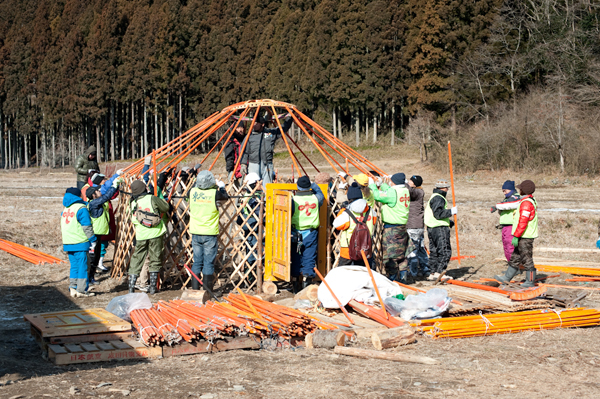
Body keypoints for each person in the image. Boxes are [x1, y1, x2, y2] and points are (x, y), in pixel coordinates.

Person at [188, 170, 230, 294]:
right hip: (209, 233)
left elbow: (192, 189)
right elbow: (225, 197)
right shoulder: (214, 193)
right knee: (208, 263)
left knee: (197, 261)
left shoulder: (192, 192)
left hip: (195, 232)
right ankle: (207, 292)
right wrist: (222, 186)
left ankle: (195, 291)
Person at [128, 180, 170, 294]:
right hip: (155, 232)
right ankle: (152, 287)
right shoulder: (151, 198)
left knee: (137, 258)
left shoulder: (133, 202)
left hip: (141, 234)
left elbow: (133, 218)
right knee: (155, 257)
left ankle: (131, 286)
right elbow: (165, 207)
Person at [494, 180, 538, 287]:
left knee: (526, 258)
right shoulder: (527, 201)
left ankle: (530, 281)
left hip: (525, 235)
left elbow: (523, 221)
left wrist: (517, 235)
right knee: (515, 257)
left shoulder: (526, 203)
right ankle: (507, 277)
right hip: (522, 234)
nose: (519, 190)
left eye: (520, 188)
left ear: (524, 190)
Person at [369, 173, 411, 283]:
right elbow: (389, 191)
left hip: (391, 228)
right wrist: (382, 184)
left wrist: (373, 185)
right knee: (402, 253)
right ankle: (403, 275)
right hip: (402, 226)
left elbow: (377, 196)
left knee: (390, 254)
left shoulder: (393, 192)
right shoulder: (404, 190)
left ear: (393, 182)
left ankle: (393, 278)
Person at [60, 187, 97, 298]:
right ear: (78, 196)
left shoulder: (66, 209)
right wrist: (93, 239)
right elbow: (86, 226)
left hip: (68, 242)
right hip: (80, 242)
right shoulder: (81, 208)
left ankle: (73, 287)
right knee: (83, 266)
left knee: (74, 266)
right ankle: (81, 290)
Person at [291, 176, 325, 291]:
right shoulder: (317, 199)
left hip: (296, 232)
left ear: (298, 187)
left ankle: (295, 284)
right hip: (310, 233)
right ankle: (307, 283)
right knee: (309, 257)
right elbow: (320, 191)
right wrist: (312, 184)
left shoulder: (293, 200)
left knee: (296, 256)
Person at [240, 113, 293, 186]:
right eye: (253, 123)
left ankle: (265, 198)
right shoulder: (250, 136)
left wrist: (289, 118)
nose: (254, 125)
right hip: (253, 164)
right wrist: (243, 164)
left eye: (256, 123)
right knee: (253, 187)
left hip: (267, 164)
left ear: (262, 124)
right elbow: (244, 151)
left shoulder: (270, 134)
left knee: (267, 187)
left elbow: (282, 129)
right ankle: (254, 198)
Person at [85, 178, 121, 285]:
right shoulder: (93, 204)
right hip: (94, 234)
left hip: (99, 233)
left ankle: (91, 277)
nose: (99, 191)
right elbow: (106, 196)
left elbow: (106, 195)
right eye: (97, 191)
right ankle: (88, 278)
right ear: (93, 195)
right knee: (92, 258)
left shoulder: (96, 202)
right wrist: (114, 186)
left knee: (95, 258)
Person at [333, 183, 377, 266]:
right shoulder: (371, 211)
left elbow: (337, 225)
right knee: (363, 273)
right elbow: (374, 221)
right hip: (365, 248)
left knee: (344, 273)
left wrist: (342, 210)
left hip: (348, 249)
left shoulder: (347, 213)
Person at [424, 180, 457, 281]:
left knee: (434, 252)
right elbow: (438, 214)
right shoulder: (439, 197)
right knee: (445, 251)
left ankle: (432, 272)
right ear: (444, 188)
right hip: (439, 228)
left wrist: (449, 222)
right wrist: (451, 212)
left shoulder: (434, 197)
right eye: (447, 188)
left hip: (432, 227)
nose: (447, 190)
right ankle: (439, 272)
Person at [236, 173, 263, 281]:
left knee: (250, 252)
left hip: (248, 227)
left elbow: (239, 217)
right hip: (255, 227)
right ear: (256, 183)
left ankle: (250, 276)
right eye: (259, 181)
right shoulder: (255, 198)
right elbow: (259, 215)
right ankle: (254, 278)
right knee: (256, 253)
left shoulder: (246, 196)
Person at [406, 175, 430, 280]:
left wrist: (402, 182)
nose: (409, 181)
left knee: (412, 250)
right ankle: (425, 270)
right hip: (418, 226)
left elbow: (409, 191)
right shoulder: (419, 192)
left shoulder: (417, 192)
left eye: (411, 181)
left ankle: (413, 272)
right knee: (420, 248)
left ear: (415, 184)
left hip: (413, 226)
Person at [490, 180, 521, 262]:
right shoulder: (507, 199)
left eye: (505, 191)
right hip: (505, 225)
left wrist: (496, 206)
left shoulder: (515, 198)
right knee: (506, 246)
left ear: (510, 189)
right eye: (503, 191)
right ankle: (510, 265)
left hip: (511, 225)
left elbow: (507, 205)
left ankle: (514, 267)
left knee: (510, 247)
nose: (504, 193)